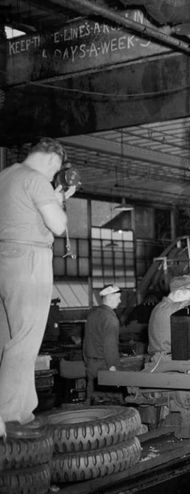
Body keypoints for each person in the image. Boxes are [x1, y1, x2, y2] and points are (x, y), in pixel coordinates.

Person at [0, 137, 76, 434]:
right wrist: (60, 201)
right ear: (50, 159)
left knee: (6, 339)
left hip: (4, 258)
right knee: (25, 339)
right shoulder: (36, 179)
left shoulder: (5, 176)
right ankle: (13, 413)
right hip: (28, 260)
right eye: (54, 169)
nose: (52, 175)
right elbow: (57, 226)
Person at [83, 284, 122, 402]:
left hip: (91, 365)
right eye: (118, 297)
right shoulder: (110, 318)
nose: (120, 301)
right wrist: (113, 367)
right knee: (110, 405)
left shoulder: (92, 314)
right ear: (110, 297)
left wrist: (87, 361)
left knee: (93, 402)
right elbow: (110, 346)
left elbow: (86, 341)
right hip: (104, 366)